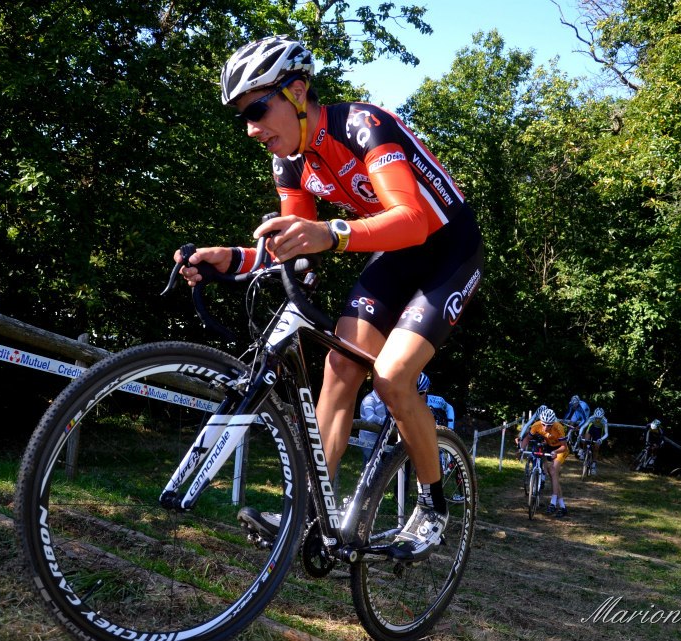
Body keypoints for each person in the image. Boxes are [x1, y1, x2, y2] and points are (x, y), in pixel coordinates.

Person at [179, 36, 484, 560]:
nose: (251, 128)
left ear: (298, 92)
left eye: (257, 108)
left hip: (448, 250)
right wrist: (231, 257)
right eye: (242, 116)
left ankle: (434, 507)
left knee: (391, 377)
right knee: (339, 370)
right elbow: (292, 250)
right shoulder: (290, 162)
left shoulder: (363, 126)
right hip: (396, 252)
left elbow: (410, 219)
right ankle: (307, 506)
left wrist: (332, 233)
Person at [518, 407, 569, 518]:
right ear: (541, 421)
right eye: (544, 424)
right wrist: (521, 449)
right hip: (549, 447)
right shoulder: (536, 425)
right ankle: (562, 506)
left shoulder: (558, 428)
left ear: (553, 423)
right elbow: (527, 438)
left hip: (560, 449)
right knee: (552, 475)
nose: (546, 428)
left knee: (553, 470)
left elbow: (564, 446)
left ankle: (553, 502)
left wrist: (555, 451)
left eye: (549, 425)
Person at [360, 372, 455, 431]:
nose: (417, 397)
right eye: (413, 393)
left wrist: (450, 428)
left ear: (427, 390)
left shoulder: (437, 401)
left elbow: (449, 408)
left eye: (421, 393)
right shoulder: (404, 403)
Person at [577, 407, 609, 473]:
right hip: (592, 428)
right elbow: (583, 427)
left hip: (599, 431)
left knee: (596, 448)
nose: (597, 419)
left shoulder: (604, 420)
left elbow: (606, 434)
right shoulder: (591, 418)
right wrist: (580, 434)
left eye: (599, 418)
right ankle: (583, 451)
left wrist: (601, 439)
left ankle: (594, 465)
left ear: (602, 417)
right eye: (596, 418)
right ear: (594, 415)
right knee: (586, 440)